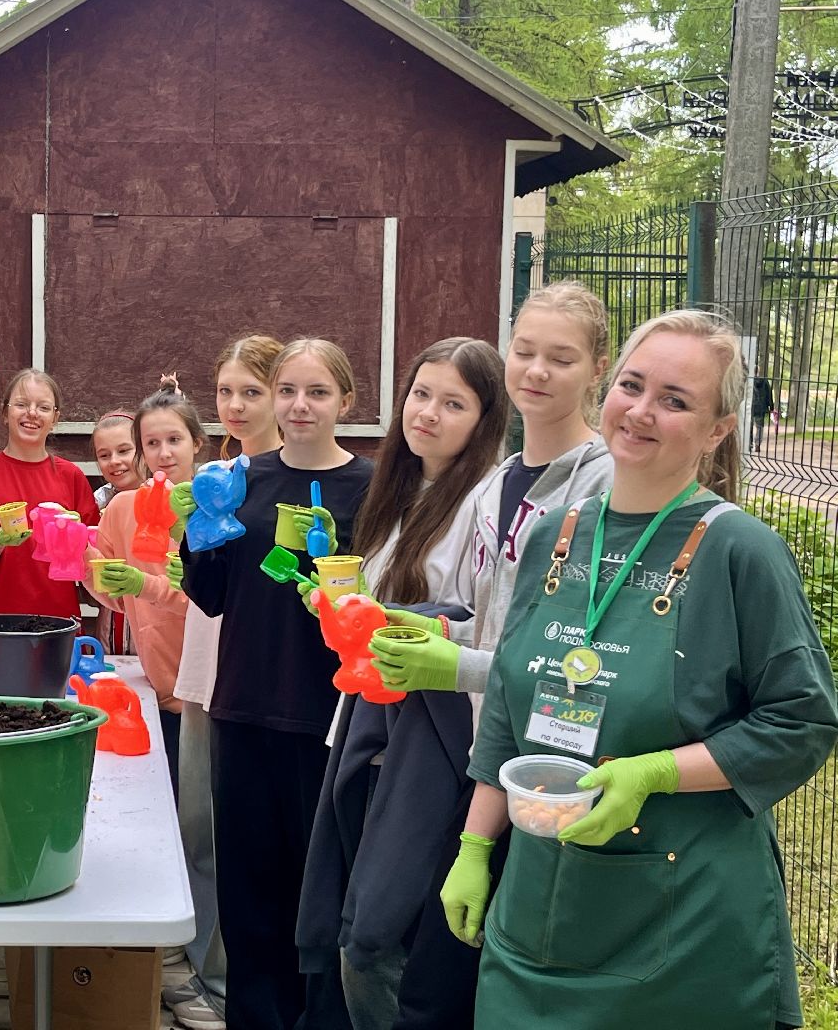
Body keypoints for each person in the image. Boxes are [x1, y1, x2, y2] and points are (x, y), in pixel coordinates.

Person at [441, 309, 838, 1030]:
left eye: (676, 400)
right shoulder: (558, 538)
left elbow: (802, 721)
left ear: (717, 430)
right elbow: (507, 707)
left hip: (682, 923)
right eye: (632, 385)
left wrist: (652, 773)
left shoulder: (739, 552)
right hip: (538, 910)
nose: (642, 412)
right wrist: (474, 846)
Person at [349, 280, 613, 1030]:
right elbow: (489, 623)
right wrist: (417, 630)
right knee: (417, 965)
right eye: (524, 351)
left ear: (596, 368)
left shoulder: (599, 486)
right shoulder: (499, 483)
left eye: (560, 358)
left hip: (548, 768)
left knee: (459, 983)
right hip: (472, 755)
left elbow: (581, 665)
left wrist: (454, 664)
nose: (535, 370)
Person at [293, 338, 507, 1030]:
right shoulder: (399, 488)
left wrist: (398, 622)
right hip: (368, 726)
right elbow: (383, 606)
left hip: (436, 747)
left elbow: (483, 628)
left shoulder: (488, 502)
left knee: (379, 935)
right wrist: (337, 596)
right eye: (421, 395)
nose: (429, 414)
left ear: (485, 418)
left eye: (454, 403)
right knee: (360, 917)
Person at [178, 338, 374, 1030]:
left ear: (345, 403)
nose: (299, 406)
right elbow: (210, 595)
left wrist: (336, 569)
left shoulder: (373, 488)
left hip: (329, 718)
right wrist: (199, 531)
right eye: (288, 390)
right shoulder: (244, 477)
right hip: (245, 707)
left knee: (319, 898)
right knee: (250, 897)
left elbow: (384, 605)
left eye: (317, 392)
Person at [164, 334, 285, 1030]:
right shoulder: (221, 470)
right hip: (207, 662)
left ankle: (222, 977)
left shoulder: (281, 479)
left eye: (251, 392)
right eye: (226, 392)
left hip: (254, 675)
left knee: (239, 834)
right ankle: (198, 963)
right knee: (200, 827)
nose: (235, 406)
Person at [82, 378, 202, 790]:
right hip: (155, 684)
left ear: (196, 443)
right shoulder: (122, 507)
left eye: (174, 439)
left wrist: (143, 584)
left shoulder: (215, 508)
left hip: (209, 689)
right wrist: (82, 560)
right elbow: (115, 600)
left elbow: (211, 603)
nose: (164, 453)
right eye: (152, 443)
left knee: (205, 813)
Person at [0, 369, 100, 618]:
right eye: (21, 404)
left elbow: (93, 559)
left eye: (43, 407)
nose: (32, 412)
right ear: (5, 413)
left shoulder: (71, 477)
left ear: (55, 418)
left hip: (59, 619)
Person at [92, 411, 142, 509]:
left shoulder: (167, 496)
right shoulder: (98, 503)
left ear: (144, 450)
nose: (114, 461)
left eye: (123, 451)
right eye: (104, 455)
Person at [752, 373, 775, 452]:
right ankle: (757, 444)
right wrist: (771, 406)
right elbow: (769, 394)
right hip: (761, 407)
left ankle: (749, 443)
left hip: (751, 406)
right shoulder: (764, 381)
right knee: (759, 427)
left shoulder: (750, 380)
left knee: (749, 425)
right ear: (758, 371)